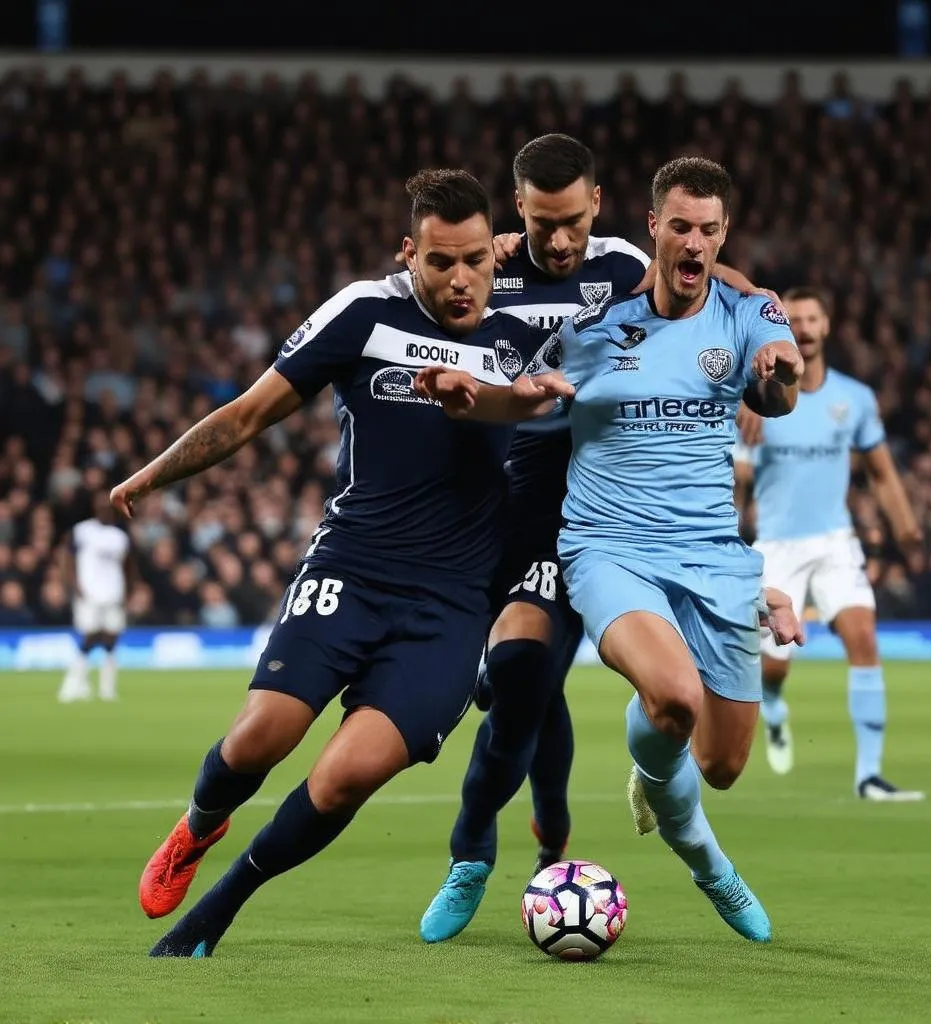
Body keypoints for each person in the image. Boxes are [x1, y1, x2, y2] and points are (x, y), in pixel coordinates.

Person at [110, 169, 565, 958]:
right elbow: (251, 411)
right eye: (440, 262)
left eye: (475, 262)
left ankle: (217, 911)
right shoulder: (362, 312)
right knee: (259, 740)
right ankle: (198, 825)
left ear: (497, 256)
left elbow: (626, 294)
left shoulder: (525, 339)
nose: (460, 279)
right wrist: (155, 473)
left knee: (345, 777)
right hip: (352, 569)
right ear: (408, 255)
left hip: (451, 606)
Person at [416, 156, 804, 943]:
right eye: (680, 228)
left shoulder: (741, 310)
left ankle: (646, 774)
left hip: (710, 552)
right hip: (589, 536)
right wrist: (461, 396)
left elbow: (779, 387)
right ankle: (487, 856)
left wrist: (781, 372)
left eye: (709, 230)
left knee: (720, 764)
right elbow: (514, 388)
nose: (693, 244)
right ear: (653, 229)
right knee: (562, 683)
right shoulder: (580, 324)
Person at [733, 287, 925, 800]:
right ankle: (773, 704)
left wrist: (906, 528)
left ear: (827, 326)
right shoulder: (761, 401)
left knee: (863, 637)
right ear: (784, 328)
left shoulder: (854, 398)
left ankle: (869, 776)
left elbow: (881, 472)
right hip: (777, 544)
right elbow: (738, 483)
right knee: (773, 667)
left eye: (813, 318)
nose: (805, 327)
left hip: (836, 539)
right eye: (794, 319)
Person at [58, 491, 134, 703]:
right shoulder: (82, 531)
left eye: (108, 507)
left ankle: (107, 689)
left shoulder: (120, 537)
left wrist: (128, 592)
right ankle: (73, 684)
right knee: (90, 637)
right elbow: (67, 558)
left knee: (111, 640)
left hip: (114, 594)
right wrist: (73, 585)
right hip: (89, 593)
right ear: (94, 508)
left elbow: (128, 567)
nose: (104, 510)